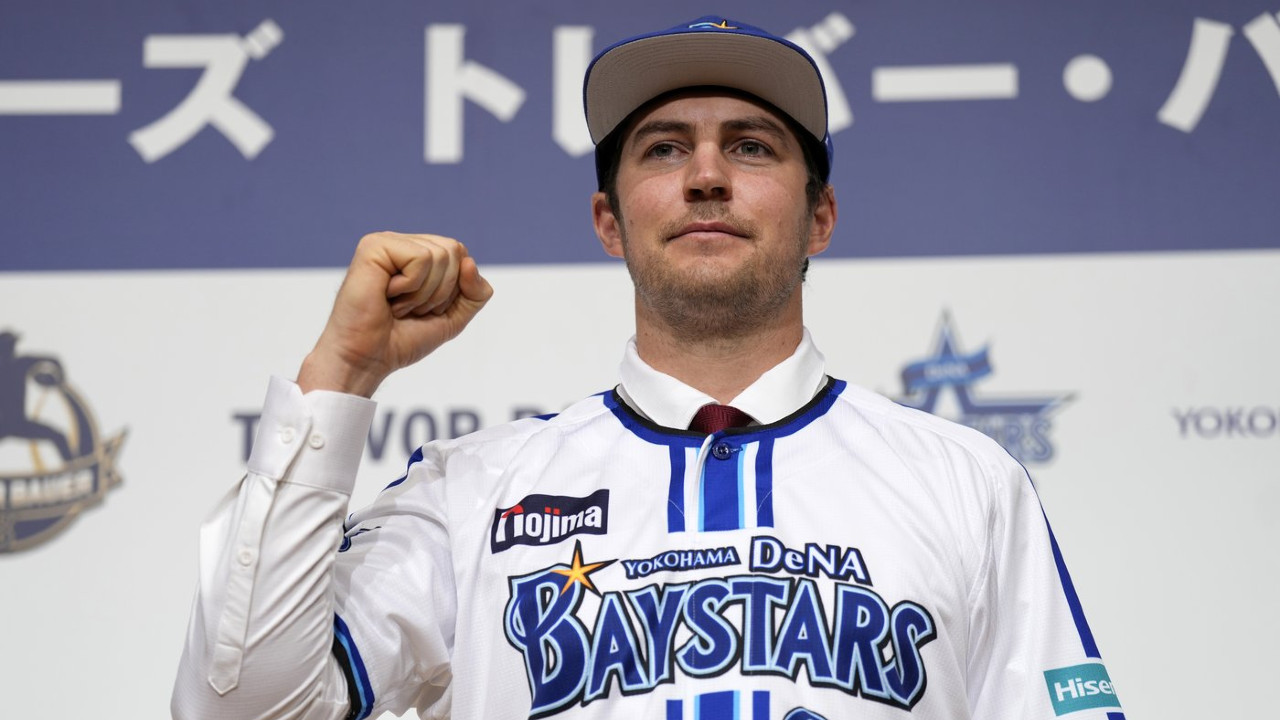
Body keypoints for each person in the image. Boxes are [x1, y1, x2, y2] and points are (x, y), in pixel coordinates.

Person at [172, 16, 1124, 720]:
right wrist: (340, 378)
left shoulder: (964, 483)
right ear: (609, 222)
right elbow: (241, 708)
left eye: (750, 147)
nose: (706, 175)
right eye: (665, 149)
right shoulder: (473, 492)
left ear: (820, 219)